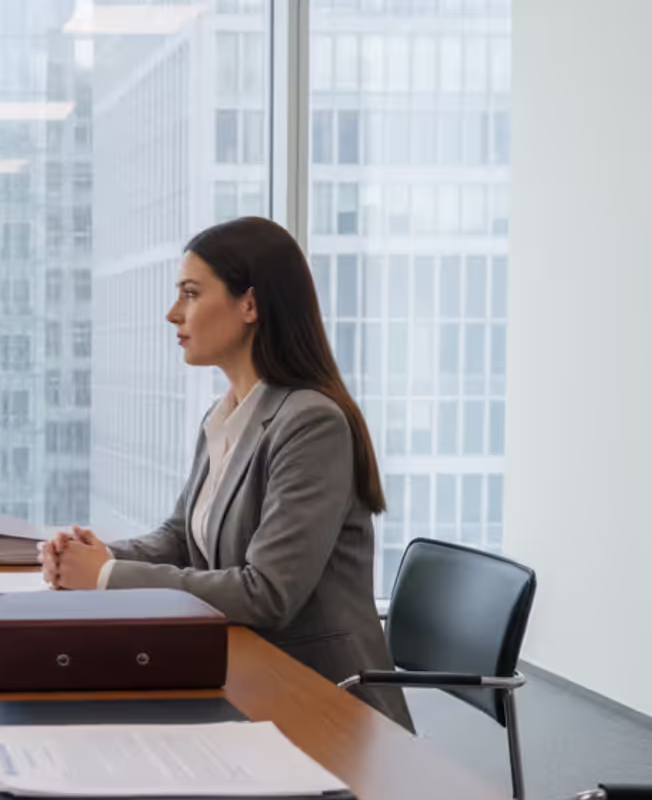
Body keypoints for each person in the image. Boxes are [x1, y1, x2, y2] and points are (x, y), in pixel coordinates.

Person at [41, 217, 413, 730]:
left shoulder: (311, 423)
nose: (174, 314)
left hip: (323, 702)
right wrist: (95, 554)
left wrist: (105, 577)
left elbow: (267, 593)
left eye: (191, 294)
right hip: (248, 675)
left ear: (250, 305)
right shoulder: (227, 414)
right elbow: (180, 537)